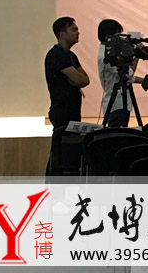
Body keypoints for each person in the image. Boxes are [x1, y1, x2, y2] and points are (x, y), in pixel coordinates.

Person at [97, 19, 148, 127]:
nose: (120, 39)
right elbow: (129, 74)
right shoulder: (106, 56)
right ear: (109, 37)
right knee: (116, 132)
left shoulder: (110, 52)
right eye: (118, 35)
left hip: (120, 102)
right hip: (116, 103)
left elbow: (127, 76)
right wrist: (137, 54)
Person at [45, 16, 89, 175]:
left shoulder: (71, 56)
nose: (78, 32)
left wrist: (77, 79)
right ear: (62, 33)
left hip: (73, 111)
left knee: (70, 152)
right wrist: (77, 79)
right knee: (60, 154)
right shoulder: (57, 55)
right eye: (73, 29)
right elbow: (78, 79)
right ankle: (55, 184)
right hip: (62, 112)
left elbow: (85, 80)